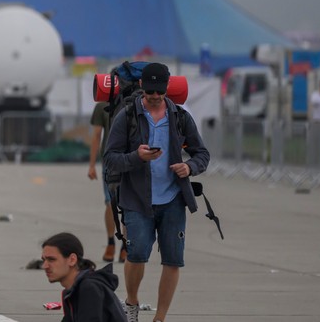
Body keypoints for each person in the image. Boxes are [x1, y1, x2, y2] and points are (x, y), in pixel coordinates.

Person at [103, 63, 210, 322]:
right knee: (137, 254)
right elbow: (110, 159)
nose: (154, 96)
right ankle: (131, 302)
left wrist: (189, 167)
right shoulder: (127, 116)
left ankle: (159, 318)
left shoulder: (180, 117)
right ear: (141, 86)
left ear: (167, 88)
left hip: (173, 199)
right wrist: (136, 157)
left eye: (159, 92)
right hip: (137, 200)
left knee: (173, 260)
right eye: (150, 91)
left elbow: (202, 154)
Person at [41, 232, 126, 322]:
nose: (44, 266)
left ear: (72, 260)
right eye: (44, 260)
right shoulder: (71, 291)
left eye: (51, 259)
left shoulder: (89, 288)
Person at [88, 101, 126, 263]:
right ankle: (121, 245)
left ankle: (115, 243)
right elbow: (97, 135)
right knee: (121, 203)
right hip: (121, 159)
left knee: (113, 202)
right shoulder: (134, 100)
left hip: (116, 159)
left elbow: (97, 135)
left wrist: (92, 165)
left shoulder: (103, 104)